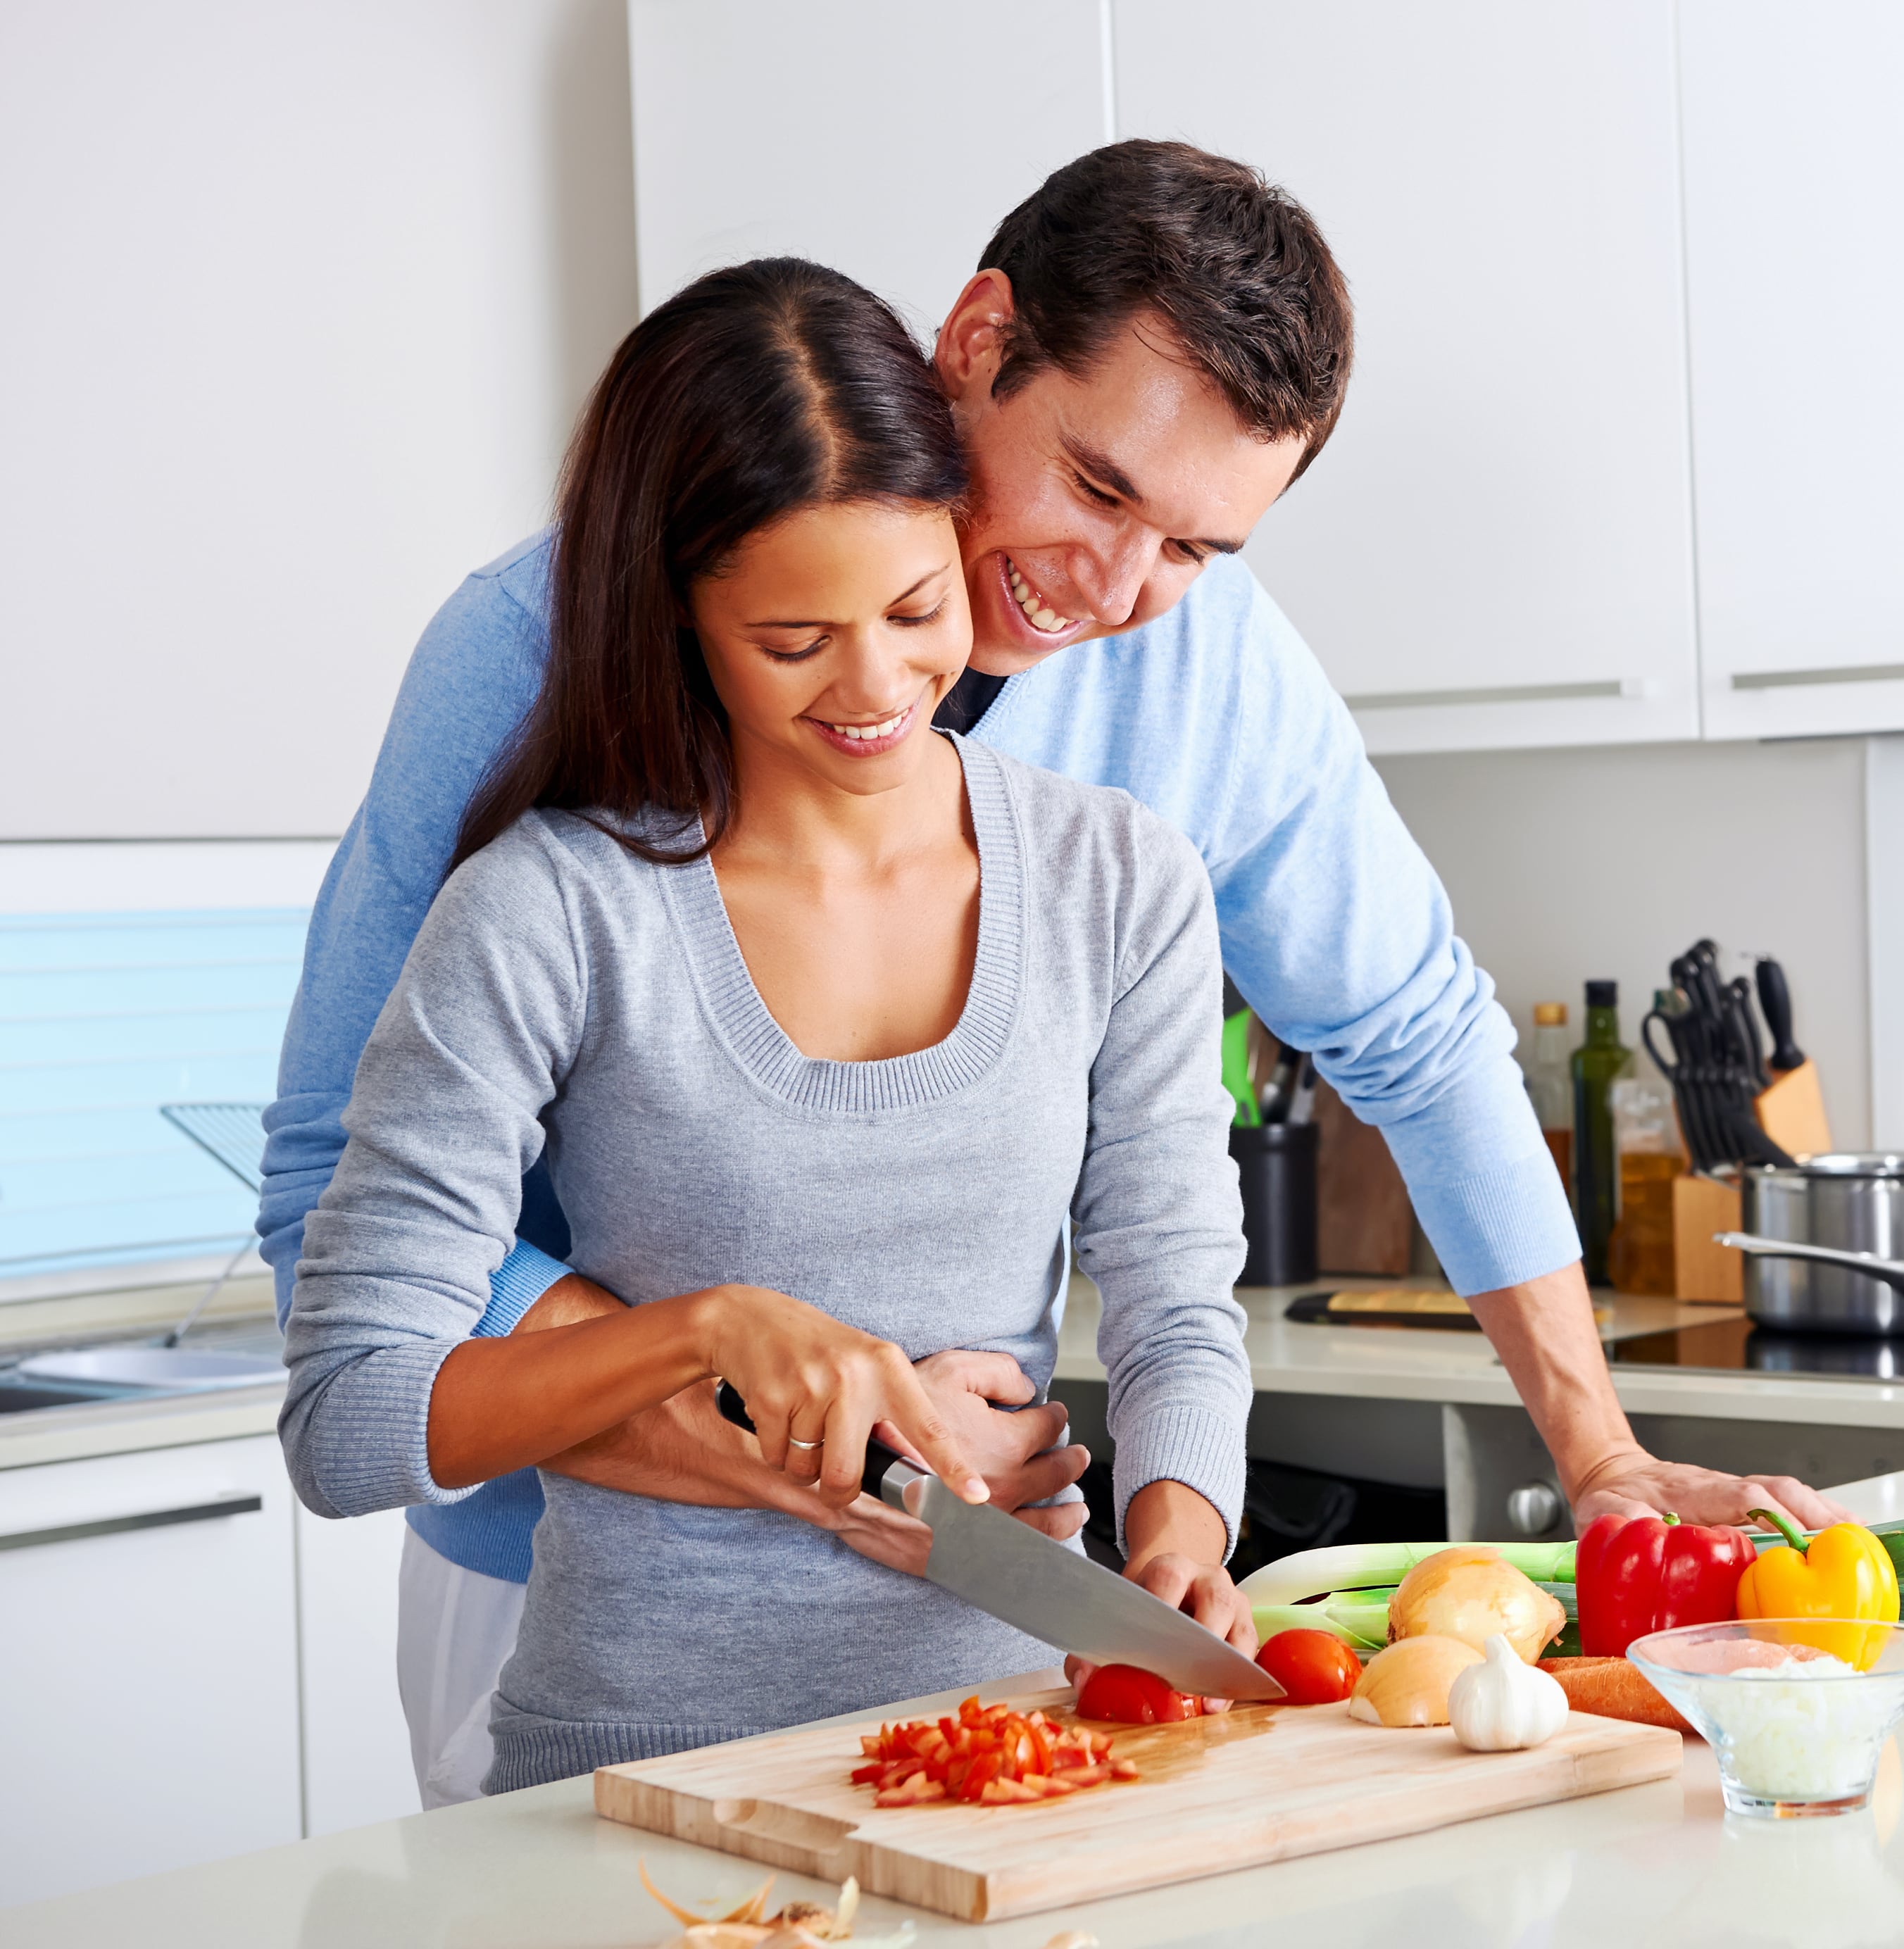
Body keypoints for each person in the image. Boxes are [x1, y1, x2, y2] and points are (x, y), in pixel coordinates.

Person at [261, 139, 1843, 1805]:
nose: (1115, 591)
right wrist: (775, 1412)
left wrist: (1595, 1454)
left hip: (977, 1661)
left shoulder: (1182, 698)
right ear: (976, 342)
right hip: (573, 1600)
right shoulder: (544, 654)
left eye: (1192, 547)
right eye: (1095, 490)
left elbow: (1417, 1044)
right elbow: (338, 1236)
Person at [280, 258, 1253, 1794]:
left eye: (917, 608)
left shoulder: (1116, 877)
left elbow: (1176, 1296)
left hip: (1009, 1757)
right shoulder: (552, 908)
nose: (876, 687)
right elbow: (348, 1420)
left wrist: (1179, 1535)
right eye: (793, 640)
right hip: (637, 1775)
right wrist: (709, 1329)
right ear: (679, 618)